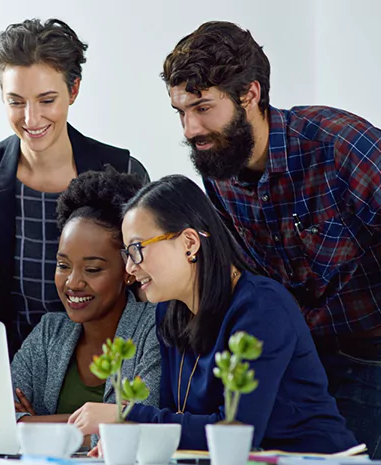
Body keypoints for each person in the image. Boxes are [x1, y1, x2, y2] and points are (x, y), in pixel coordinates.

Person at [160, 21, 381, 459]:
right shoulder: (220, 164)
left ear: (250, 95)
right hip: (299, 351)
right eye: (180, 111)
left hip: (377, 350)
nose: (190, 128)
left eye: (202, 107)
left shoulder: (341, 144)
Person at [70, 175, 358, 453]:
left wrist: (126, 417)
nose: (130, 268)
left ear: (189, 243)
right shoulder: (169, 312)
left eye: (137, 249)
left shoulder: (261, 307)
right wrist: (132, 438)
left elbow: (238, 432)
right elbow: (178, 417)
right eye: (127, 254)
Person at [0, 18, 149, 357]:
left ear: (74, 90)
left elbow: (144, 292)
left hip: (102, 368)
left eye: (46, 100)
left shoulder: (123, 172)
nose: (31, 119)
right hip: (5, 366)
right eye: (16, 101)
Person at [12, 169, 160, 428]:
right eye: (63, 265)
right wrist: (100, 420)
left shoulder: (153, 329)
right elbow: (1, 418)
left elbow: (139, 423)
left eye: (92, 269)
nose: (73, 282)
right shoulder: (49, 332)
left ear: (129, 271)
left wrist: (33, 423)